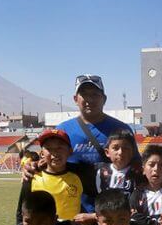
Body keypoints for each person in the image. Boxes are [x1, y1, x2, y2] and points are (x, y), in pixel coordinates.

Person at [56, 74, 141, 213]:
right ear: (75, 99)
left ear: (104, 99)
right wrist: (32, 165)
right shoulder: (63, 130)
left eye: (95, 94)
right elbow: (50, 163)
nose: (90, 99)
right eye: (84, 94)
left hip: (113, 215)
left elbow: (137, 166)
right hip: (75, 213)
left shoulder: (122, 129)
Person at [129, 144, 162, 222]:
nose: (156, 169)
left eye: (161, 165)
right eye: (151, 165)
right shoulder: (137, 195)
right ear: (143, 169)